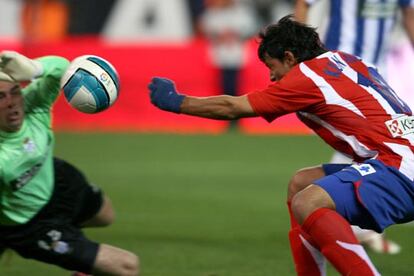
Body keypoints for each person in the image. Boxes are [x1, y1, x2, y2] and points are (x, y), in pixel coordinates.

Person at [148, 15, 414, 275]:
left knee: (308, 202)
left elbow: (232, 107)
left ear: (289, 57)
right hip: (399, 156)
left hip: (400, 168)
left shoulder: (306, 77)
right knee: (302, 183)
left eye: (271, 67)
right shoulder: (344, 59)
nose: (273, 77)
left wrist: (177, 101)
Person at [0, 51, 139, 275]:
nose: (11, 103)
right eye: (0, 97)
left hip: (57, 182)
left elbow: (63, 68)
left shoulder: (33, 105)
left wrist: (35, 68)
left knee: (105, 215)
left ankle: (68, 239)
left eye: (15, 92)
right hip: (29, 225)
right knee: (126, 267)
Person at [294, 0, 414, 255]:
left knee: (384, 143)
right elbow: (304, 4)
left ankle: (349, 222)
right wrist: (303, 59)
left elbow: (409, 16)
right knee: (361, 144)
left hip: (376, 73)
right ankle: (351, 226)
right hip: (338, 70)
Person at [199, 0, 257, 130]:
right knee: (224, 86)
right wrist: (220, 34)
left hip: (236, 54)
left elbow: (250, 28)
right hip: (221, 54)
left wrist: (234, 33)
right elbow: (205, 27)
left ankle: (236, 116)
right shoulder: (214, 12)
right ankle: (226, 115)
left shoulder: (241, 11)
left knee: (235, 87)